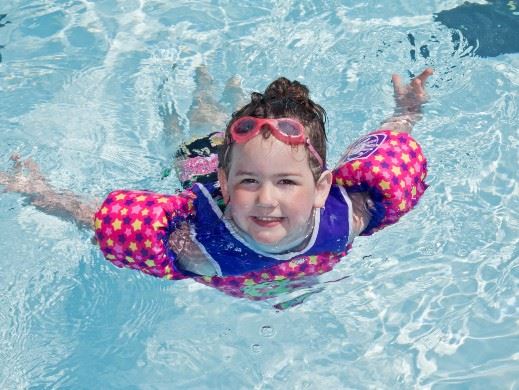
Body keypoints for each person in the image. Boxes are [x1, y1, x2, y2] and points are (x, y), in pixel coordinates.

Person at [0, 67, 433, 301]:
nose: (266, 200)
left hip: (262, 224)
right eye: (249, 183)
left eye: (286, 181)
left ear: (321, 187)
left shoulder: (348, 216)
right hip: (202, 163)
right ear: (226, 187)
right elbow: (102, 220)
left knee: (230, 132)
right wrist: (40, 193)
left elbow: (386, 154)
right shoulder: (202, 245)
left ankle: (226, 107)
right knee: (197, 127)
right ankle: (209, 100)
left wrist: (406, 112)